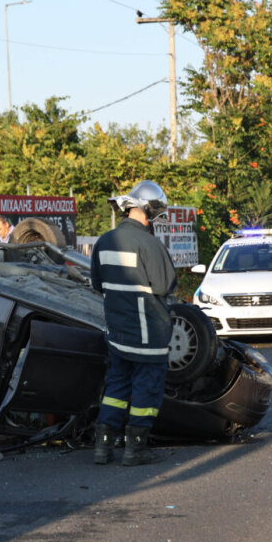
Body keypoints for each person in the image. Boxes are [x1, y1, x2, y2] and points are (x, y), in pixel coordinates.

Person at [90, 180, 177, 467]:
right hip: (148, 330)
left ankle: (103, 446)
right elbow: (164, 285)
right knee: (146, 390)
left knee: (116, 386)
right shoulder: (148, 243)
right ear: (147, 209)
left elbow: (97, 284)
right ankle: (135, 448)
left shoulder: (104, 241)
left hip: (118, 330)